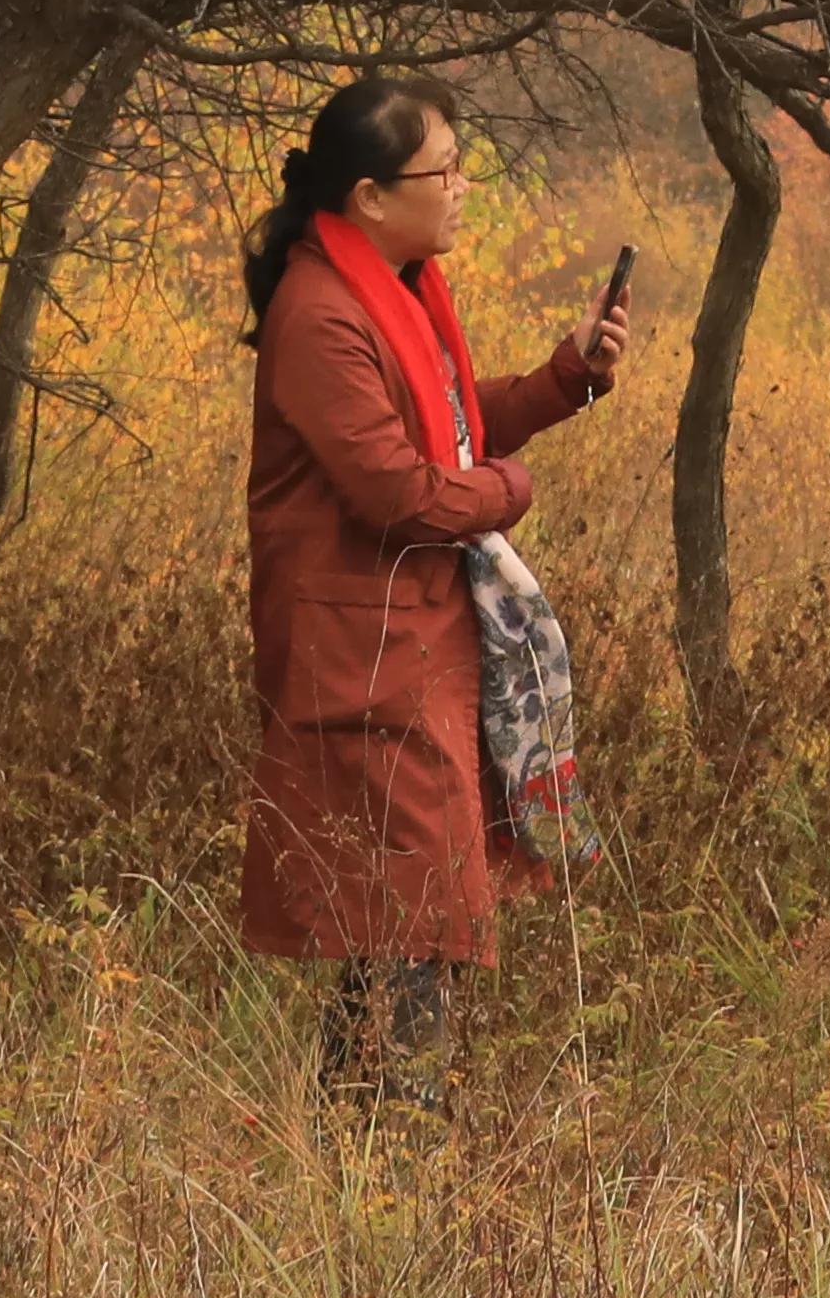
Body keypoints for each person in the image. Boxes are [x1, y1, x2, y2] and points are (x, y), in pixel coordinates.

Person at [238, 74, 629, 1104]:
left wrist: (564, 376)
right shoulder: (323, 314)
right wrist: (512, 488)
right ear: (370, 195)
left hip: (413, 650)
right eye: (442, 169)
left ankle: (370, 1156)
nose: (462, 186)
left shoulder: (395, 290)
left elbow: (445, 427)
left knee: (407, 921)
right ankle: (392, 1153)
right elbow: (400, 492)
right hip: (361, 669)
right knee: (408, 915)